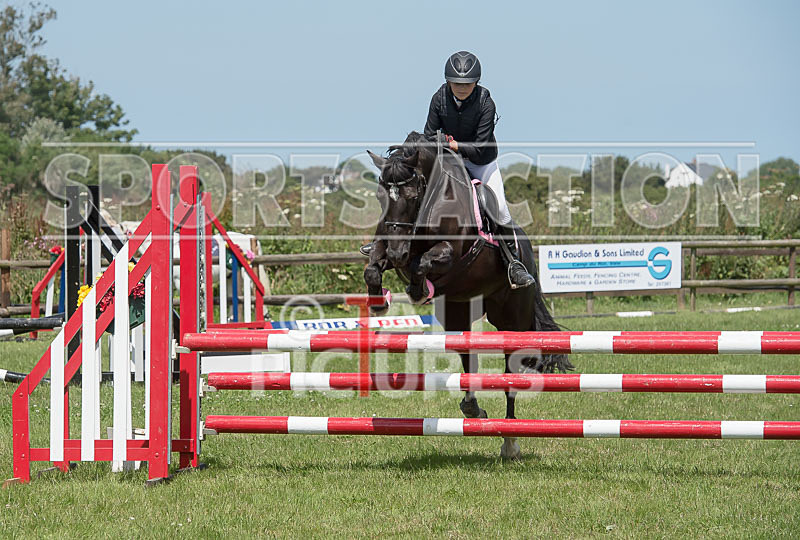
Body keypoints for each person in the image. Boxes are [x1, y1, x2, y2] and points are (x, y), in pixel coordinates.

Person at [362, 51, 535, 289]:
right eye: (456, 83)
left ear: (476, 82)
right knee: (410, 194)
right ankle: (381, 243)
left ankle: (513, 263)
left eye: (467, 84)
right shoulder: (439, 98)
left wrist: (455, 145)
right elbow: (429, 134)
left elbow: (482, 145)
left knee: (501, 209)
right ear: (448, 81)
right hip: (448, 161)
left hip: (480, 161)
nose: (462, 88)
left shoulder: (486, 103)